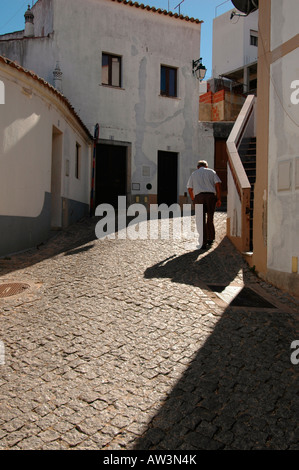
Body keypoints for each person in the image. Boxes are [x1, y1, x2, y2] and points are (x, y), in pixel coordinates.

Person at [187, 160, 221, 249]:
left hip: (199, 197)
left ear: (198, 167)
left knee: (200, 220)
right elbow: (217, 185)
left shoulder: (194, 174)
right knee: (210, 218)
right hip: (210, 197)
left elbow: (190, 188)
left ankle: (203, 242)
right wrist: (219, 198)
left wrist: (193, 199)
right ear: (206, 166)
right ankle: (211, 238)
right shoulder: (211, 172)